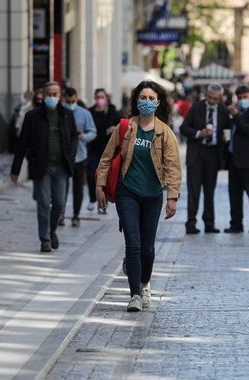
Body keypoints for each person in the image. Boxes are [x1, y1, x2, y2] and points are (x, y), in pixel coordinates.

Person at [96, 80, 181, 312]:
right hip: (128, 192)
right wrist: (99, 185)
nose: (146, 102)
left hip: (152, 194)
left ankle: (144, 283)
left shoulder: (165, 133)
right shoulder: (125, 128)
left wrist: (172, 197)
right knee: (133, 244)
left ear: (158, 102)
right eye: (142, 98)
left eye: (151, 99)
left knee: (147, 248)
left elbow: (173, 167)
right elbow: (106, 158)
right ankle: (134, 294)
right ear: (136, 101)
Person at [11, 81, 79, 253]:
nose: (52, 97)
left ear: (60, 96)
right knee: (43, 203)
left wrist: (71, 154)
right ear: (43, 95)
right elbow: (22, 143)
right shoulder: (32, 116)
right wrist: (15, 169)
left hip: (61, 166)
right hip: (41, 166)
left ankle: (52, 229)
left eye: (55, 94)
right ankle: (45, 239)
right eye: (49, 94)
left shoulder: (66, 115)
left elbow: (74, 136)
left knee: (59, 203)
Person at [180, 83, 229, 234]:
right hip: (197, 153)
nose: (212, 101)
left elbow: (227, 130)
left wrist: (225, 138)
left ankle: (209, 223)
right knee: (193, 191)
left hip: (213, 154)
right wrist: (199, 133)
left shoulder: (223, 110)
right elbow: (184, 128)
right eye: (209, 98)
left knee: (210, 191)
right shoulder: (197, 107)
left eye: (215, 98)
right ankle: (191, 223)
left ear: (220, 98)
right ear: (206, 95)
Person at [225, 85, 249, 234]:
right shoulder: (237, 113)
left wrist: (236, 116)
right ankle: (236, 223)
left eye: (244, 97)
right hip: (233, 159)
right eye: (239, 97)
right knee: (234, 194)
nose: (242, 100)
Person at [63, 87, 97, 227]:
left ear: (76, 98)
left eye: (73, 100)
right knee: (62, 187)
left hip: (80, 155)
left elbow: (93, 131)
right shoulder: (61, 112)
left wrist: (84, 136)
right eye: (68, 101)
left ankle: (76, 215)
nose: (71, 103)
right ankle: (60, 213)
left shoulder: (84, 113)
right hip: (64, 156)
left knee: (78, 188)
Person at [87, 88, 122, 213]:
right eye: (98, 97)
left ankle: (102, 203)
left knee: (105, 177)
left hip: (109, 151)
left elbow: (122, 126)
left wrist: (114, 128)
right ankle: (92, 198)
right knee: (91, 175)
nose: (100, 100)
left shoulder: (113, 112)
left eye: (102, 97)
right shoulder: (90, 112)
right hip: (93, 149)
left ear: (106, 98)